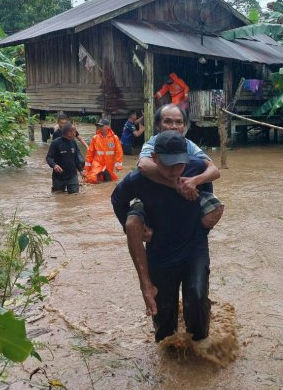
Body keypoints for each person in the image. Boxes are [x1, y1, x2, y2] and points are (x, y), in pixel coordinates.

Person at [112, 130, 213, 342]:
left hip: (193, 246)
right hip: (160, 251)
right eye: (167, 164)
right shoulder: (138, 179)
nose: (175, 170)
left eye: (179, 164)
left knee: (196, 296)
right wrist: (130, 226)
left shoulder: (196, 168)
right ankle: (166, 356)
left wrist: (203, 231)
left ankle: (201, 349)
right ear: (155, 159)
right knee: (163, 317)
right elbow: (117, 200)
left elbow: (207, 199)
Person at [139, 104, 224, 229]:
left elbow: (214, 171)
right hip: (159, 193)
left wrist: (194, 181)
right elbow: (144, 165)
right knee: (134, 220)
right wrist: (177, 186)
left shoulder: (188, 144)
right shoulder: (153, 143)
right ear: (158, 125)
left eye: (179, 122)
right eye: (168, 121)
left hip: (190, 192)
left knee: (215, 208)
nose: (174, 126)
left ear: (184, 126)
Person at [46, 123, 84, 194]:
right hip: (59, 177)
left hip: (72, 176)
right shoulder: (55, 143)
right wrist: (54, 165)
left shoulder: (73, 142)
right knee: (58, 196)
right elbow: (49, 158)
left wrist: (81, 170)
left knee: (75, 196)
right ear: (69, 133)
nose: (76, 134)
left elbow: (76, 158)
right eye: (74, 132)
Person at [83, 118, 123, 183]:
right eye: (99, 126)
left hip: (108, 166)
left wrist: (118, 166)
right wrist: (86, 169)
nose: (100, 127)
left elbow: (119, 152)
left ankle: (101, 175)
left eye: (102, 126)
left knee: (111, 180)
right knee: (92, 179)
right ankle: (94, 174)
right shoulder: (95, 138)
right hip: (97, 164)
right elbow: (90, 154)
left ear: (108, 126)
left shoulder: (114, 138)